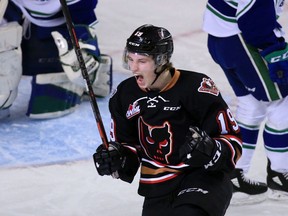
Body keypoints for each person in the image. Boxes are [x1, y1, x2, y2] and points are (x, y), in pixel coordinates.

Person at [93, 24, 242, 216]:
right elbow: (127, 145)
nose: (133, 68)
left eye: (142, 61)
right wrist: (115, 157)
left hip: (202, 177)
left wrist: (211, 149)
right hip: (158, 185)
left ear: (161, 61)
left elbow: (232, 138)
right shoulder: (124, 94)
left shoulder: (196, 88)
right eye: (130, 59)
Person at [202, 0, 288, 205]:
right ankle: (280, 176)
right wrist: (275, 52)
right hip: (241, 41)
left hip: (222, 38)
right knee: (281, 102)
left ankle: (233, 176)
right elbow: (254, 22)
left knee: (252, 105)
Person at [0, 0, 112, 120]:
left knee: (46, 102)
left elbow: (83, 19)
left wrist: (84, 52)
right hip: (31, 31)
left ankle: (94, 77)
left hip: (59, 39)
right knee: (6, 45)